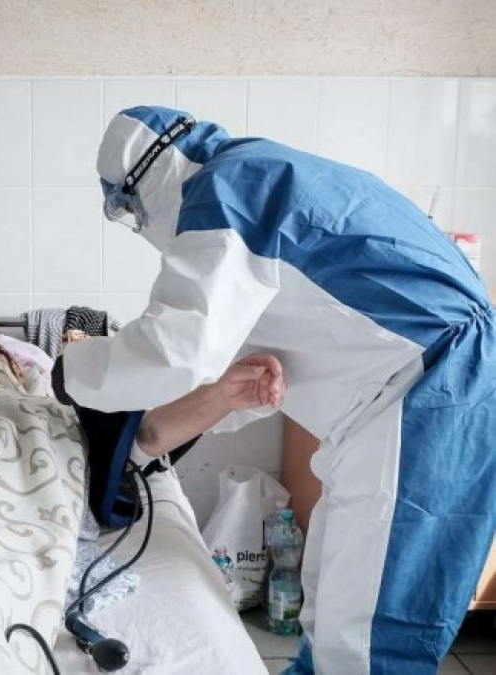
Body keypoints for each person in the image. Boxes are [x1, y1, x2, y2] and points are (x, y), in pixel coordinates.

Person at [58, 105, 496, 674]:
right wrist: (147, 438)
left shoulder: (225, 192)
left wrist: (69, 372)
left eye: (130, 209)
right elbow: (223, 373)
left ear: (147, 177)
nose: (140, 225)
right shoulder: (264, 175)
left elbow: (176, 350)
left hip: (436, 393)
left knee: (367, 631)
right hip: (402, 398)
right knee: (334, 600)